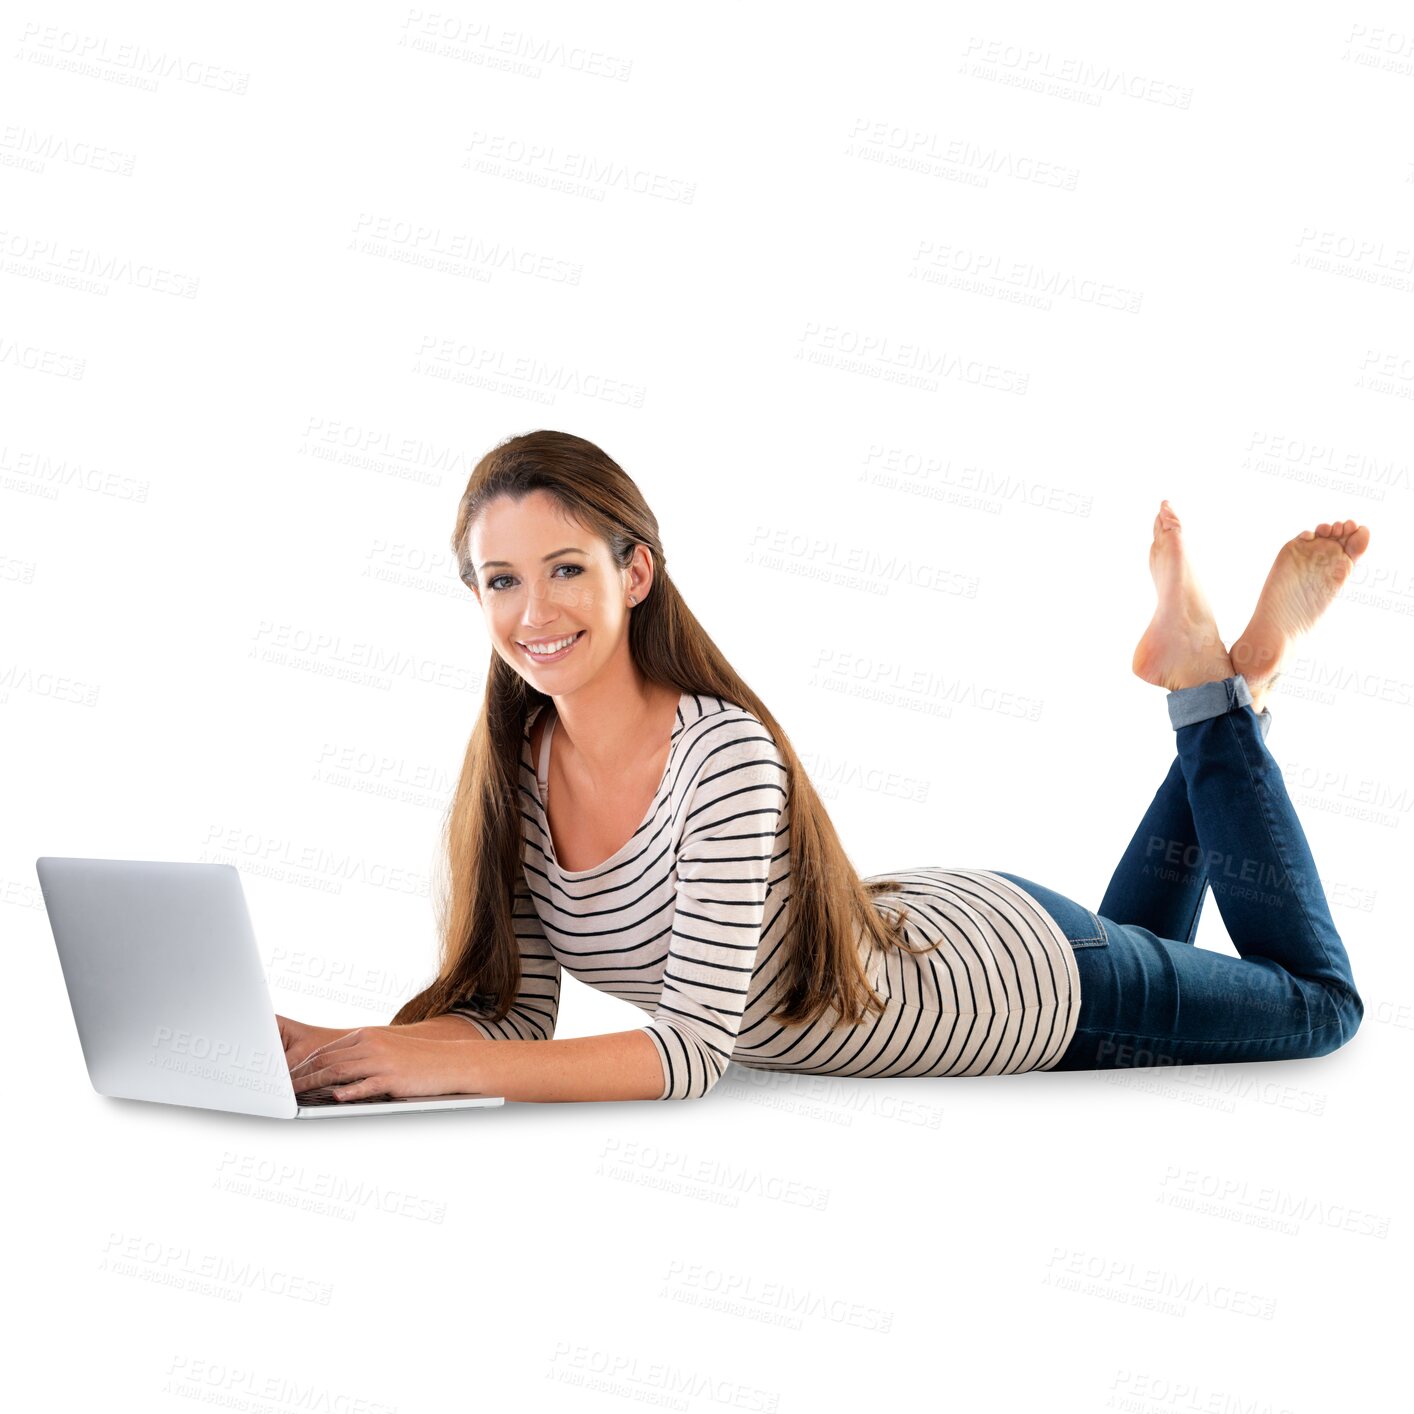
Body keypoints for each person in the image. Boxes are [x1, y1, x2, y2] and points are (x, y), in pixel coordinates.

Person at [279, 434, 1369, 1103]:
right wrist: (348, 1048)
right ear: (472, 596)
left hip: (1021, 988)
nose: (533, 610)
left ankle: (1213, 690)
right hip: (939, 926)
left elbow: (691, 1055)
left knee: (1318, 1007)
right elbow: (514, 1022)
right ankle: (1229, 686)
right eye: (500, 580)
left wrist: (448, 1070)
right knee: (1155, 947)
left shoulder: (722, 752)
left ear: (636, 572)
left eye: (565, 568)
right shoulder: (510, 775)